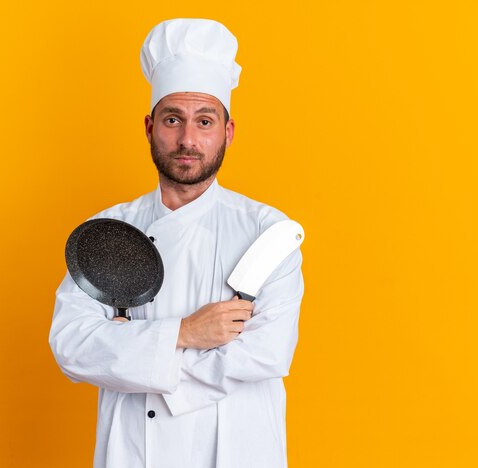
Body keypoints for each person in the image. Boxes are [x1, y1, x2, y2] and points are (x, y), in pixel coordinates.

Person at [49, 18, 305, 468]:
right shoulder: (108, 228)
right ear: (149, 127)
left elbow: (264, 354)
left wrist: (139, 358)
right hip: (133, 450)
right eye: (173, 120)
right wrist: (186, 333)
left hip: (239, 451)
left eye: (204, 121)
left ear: (227, 132)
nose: (188, 139)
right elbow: (72, 345)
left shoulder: (268, 232)